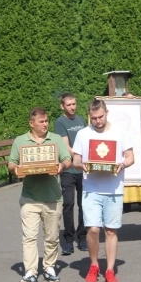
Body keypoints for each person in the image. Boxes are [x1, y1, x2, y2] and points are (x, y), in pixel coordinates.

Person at [72, 99, 134, 282]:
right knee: (92, 229)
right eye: (94, 118)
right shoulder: (83, 134)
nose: (98, 121)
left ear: (106, 113)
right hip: (91, 189)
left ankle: (109, 269)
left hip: (114, 189)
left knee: (110, 231)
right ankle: (93, 265)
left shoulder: (120, 132)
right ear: (89, 116)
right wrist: (82, 165)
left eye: (100, 117)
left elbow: (130, 157)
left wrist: (122, 164)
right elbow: (75, 160)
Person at [8, 107, 71, 282]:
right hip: (30, 197)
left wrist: (62, 166)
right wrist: (16, 169)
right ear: (31, 123)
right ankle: (30, 272)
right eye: (41, 122)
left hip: (53, 197)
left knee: (51, 237)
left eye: (46, 121)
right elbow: (11, 163)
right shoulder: (20, 141)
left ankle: (49, 267)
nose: (45, 124)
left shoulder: (56, 139)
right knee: (29, 236)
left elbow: (67, 158)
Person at [54, 93, 88, 255]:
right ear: (63, 106)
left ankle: (82, 237)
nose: (72, 107)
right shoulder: (60, 122)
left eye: (74, 104)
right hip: (68, 168)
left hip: (83, 169)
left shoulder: (81, 120)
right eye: (69, 105)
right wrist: (79, 154)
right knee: (68, 204)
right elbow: (65, 145)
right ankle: (68, 239)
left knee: (84, 204)